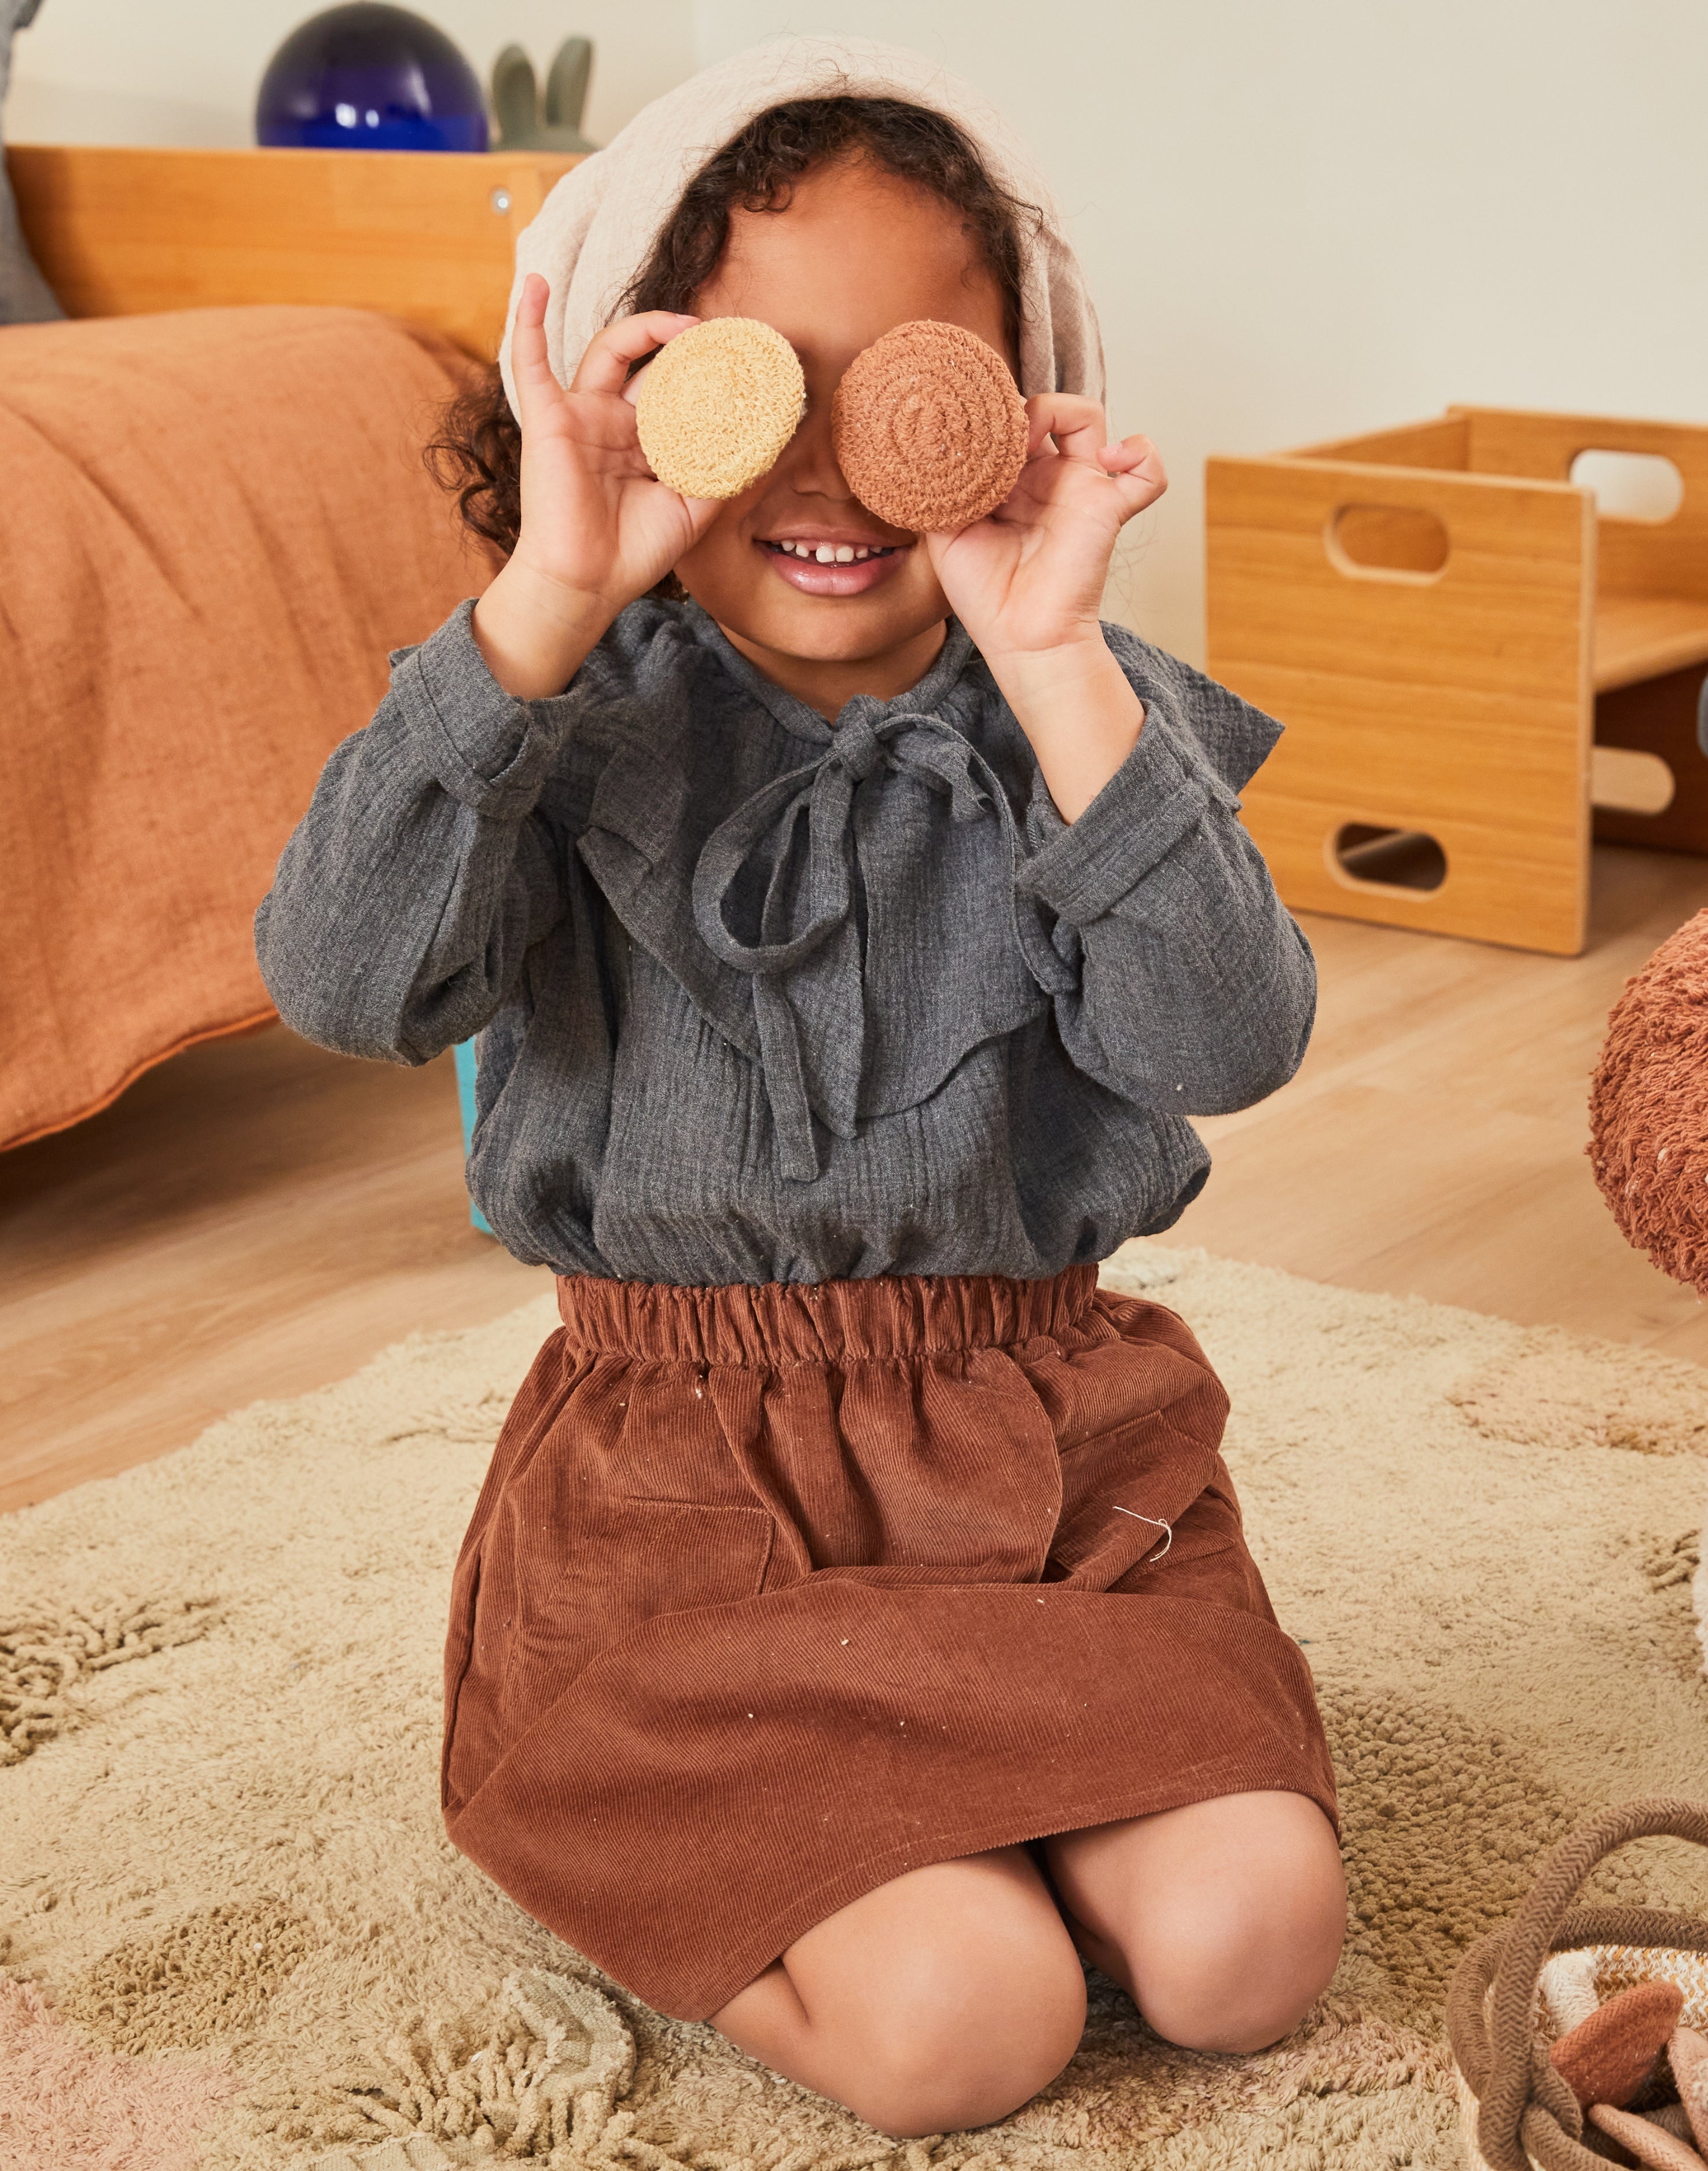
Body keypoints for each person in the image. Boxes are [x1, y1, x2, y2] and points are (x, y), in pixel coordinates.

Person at [256, 38, 1343, 2142]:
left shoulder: (1074, 709)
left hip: (1047, 1482)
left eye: (910, 390)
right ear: (625, 386)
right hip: (694, 1519)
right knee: (968, 2026)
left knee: (1248, 1951)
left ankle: (968, 1802)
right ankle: (753, 1852)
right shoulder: (554, 719)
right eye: (759, 381)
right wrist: (554, 594)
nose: (834, 470)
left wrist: (1051, 665)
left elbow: (1228, 1043)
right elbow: (341, 980)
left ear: (1017, 412)